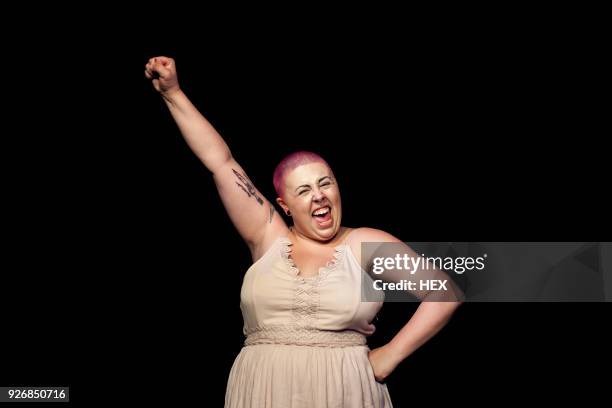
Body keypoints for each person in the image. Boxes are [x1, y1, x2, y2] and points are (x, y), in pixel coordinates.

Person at [145, 56, 462, 408]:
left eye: (325, 183)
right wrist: (173, 93)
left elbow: (443, 293)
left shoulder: (363, 243)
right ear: (285, 204)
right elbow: (220, 162)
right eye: (304, 190)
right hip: (263, 389)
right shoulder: (268, 238)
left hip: (344, 391)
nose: (319, 195)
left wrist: (391, 354)